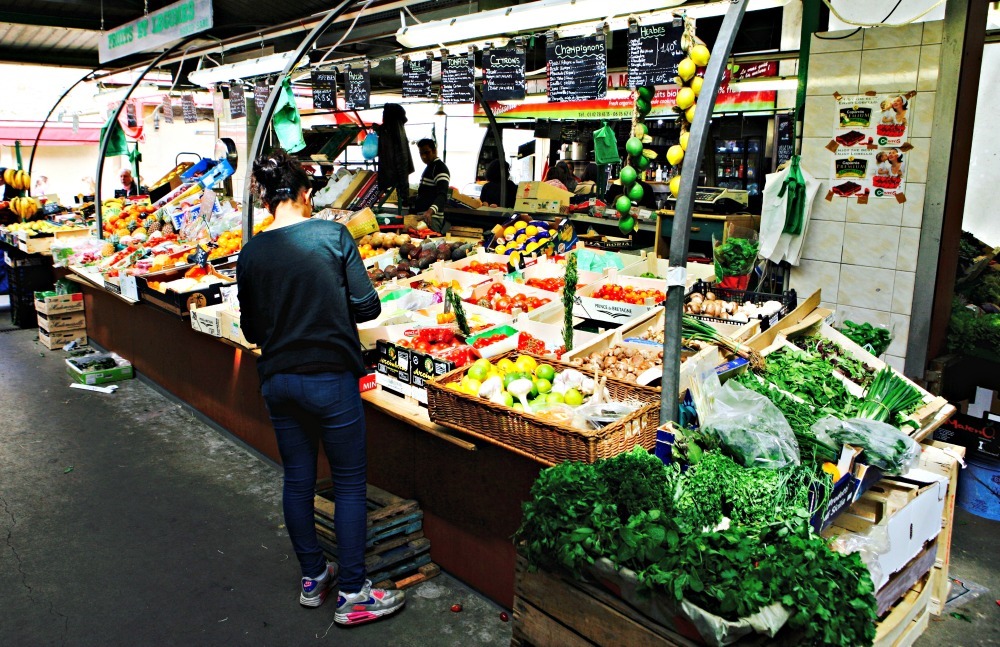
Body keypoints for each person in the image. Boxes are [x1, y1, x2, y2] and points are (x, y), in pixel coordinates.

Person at [235, 149, 405, 626]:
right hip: (330, 378)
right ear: (304, 193)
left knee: (298, 479)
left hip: (279, 381)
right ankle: (353, 593)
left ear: (268, 200)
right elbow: (368, 308)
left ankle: (313, 577)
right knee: (348, 482)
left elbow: (251, 330)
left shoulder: (251, 252)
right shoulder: (333, 236)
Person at [413, 138, 449, 232]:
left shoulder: (440, 168)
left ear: (434, 151)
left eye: (427, 152)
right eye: (421, 154)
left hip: (432, 219)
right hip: (424, 217)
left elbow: (442, 194)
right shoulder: (430, 167)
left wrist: (429, 212)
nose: (424, 156)